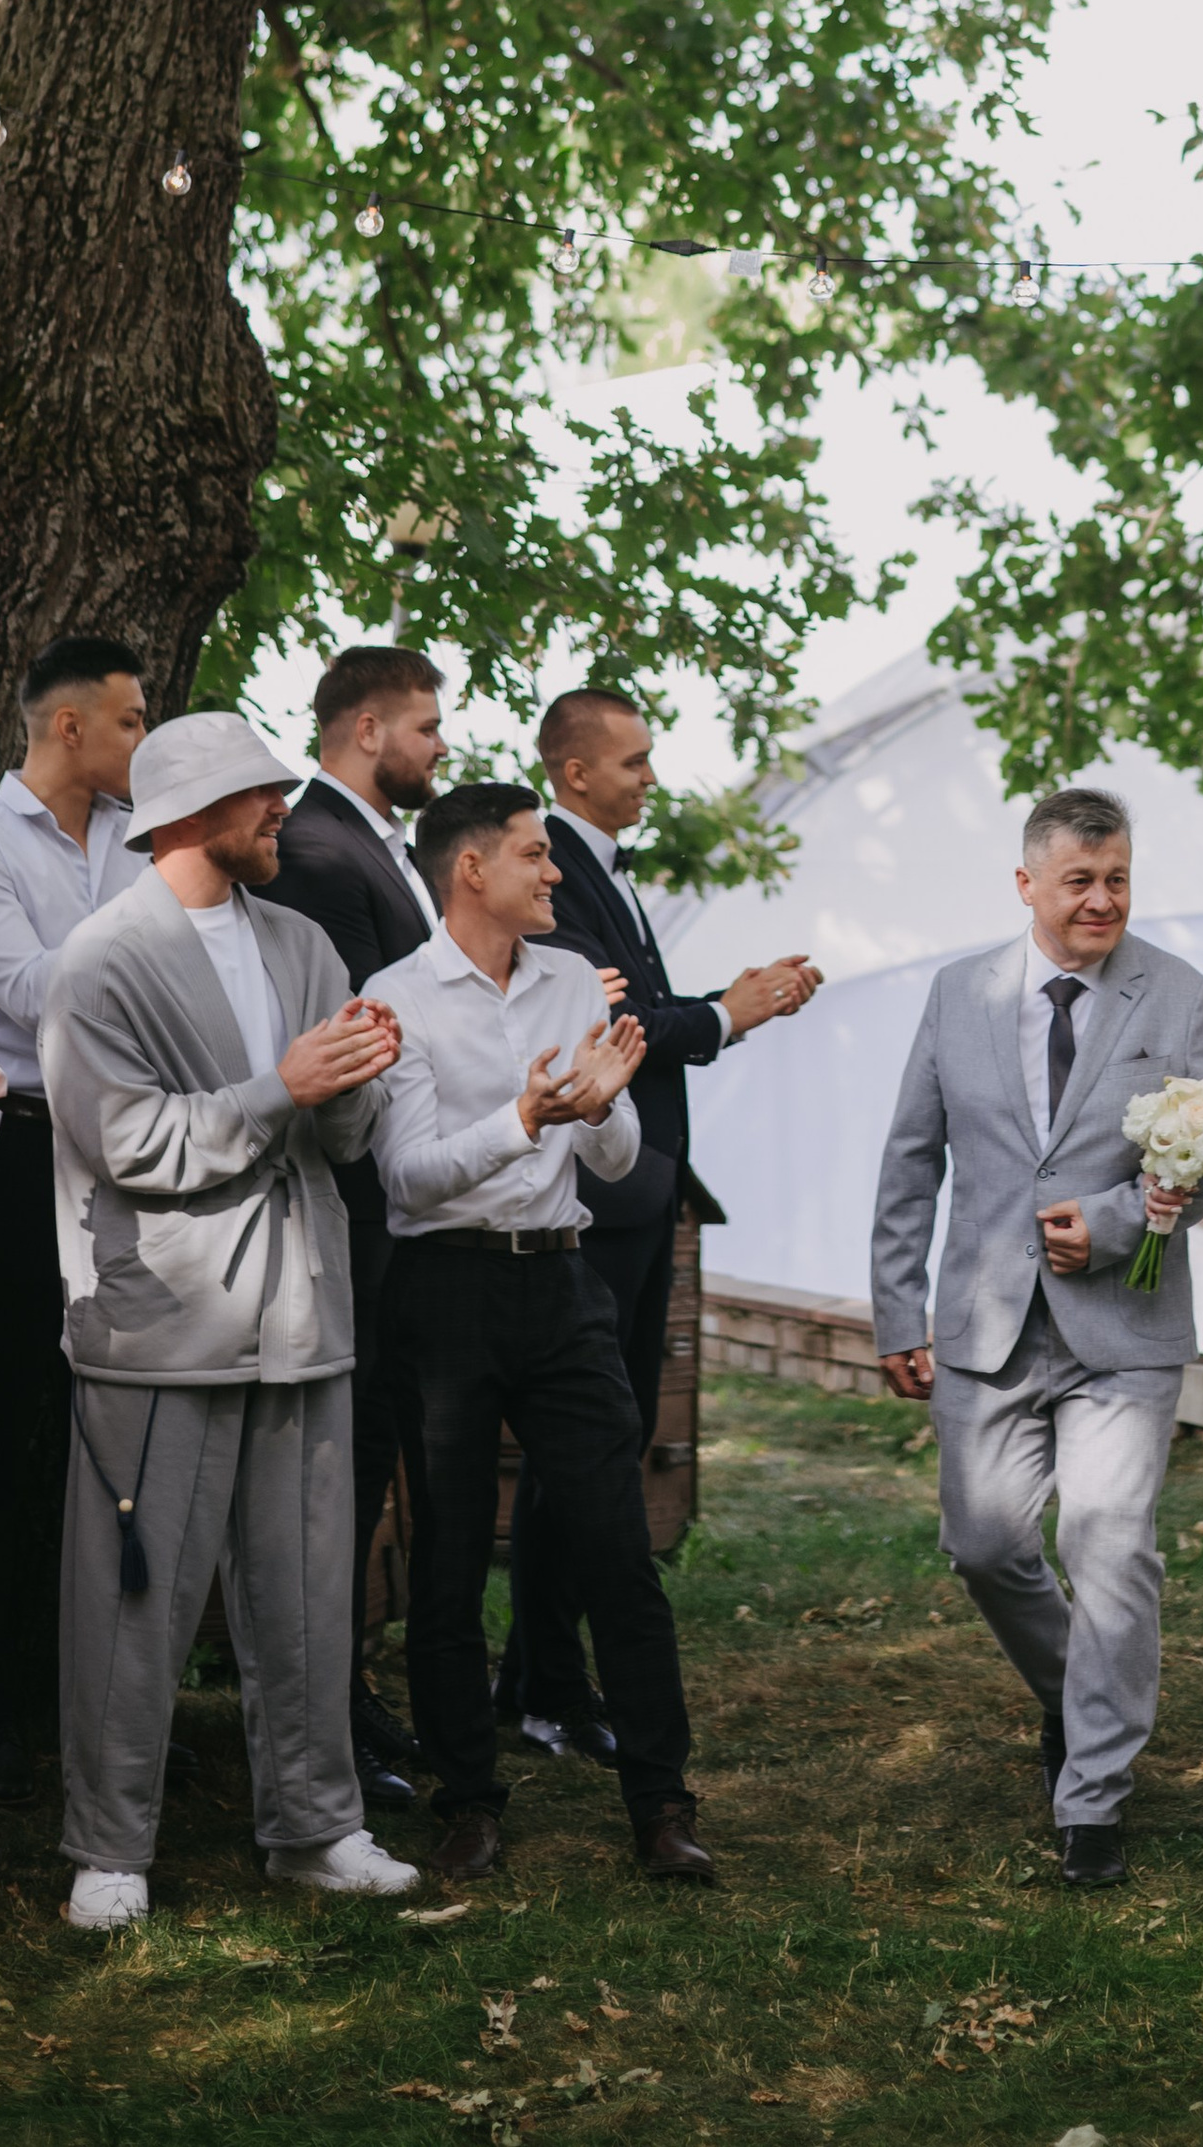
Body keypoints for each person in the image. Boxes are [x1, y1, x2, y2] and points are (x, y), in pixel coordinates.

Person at [38, 708, 413, 1929]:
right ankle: (109, 1847)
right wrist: (282, 1086)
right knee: (134, 1600)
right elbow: (129, 1141)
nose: (282, 815)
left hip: (304, 1309)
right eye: (262, 795)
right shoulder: (100, 960)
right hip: (162, 1326)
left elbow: (342, 1137)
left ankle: (316, 1827)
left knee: (310, 1591)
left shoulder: (304, 939)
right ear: (195, 813)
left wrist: (359, 1078)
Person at [870, 783, 1203, 1890]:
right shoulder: (959, 993)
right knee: (984, 1545)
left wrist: (1123, 1216)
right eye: (1079, 879)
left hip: (1123, 1324)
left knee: (1111, 1541)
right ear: (1027, 882)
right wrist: (899, 1308)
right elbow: (910, 1161)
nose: (1102, 898)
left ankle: (1092, 1801)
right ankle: (1077, 1694)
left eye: (1117, 876)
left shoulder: (1176, 996)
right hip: (984, 1323)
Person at [364, 781, 705, 1889]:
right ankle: (466, 1801)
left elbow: (615, 1158)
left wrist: (601, 1106)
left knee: (617, 1548)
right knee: (452, 1560)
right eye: (532, 854)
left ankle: (661, 1803)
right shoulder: (396, 997)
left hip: (561, 1288)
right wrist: (525, 1118)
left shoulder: (570, 981)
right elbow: (408, 1177)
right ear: (471, 869)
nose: (553, 872)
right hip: (445, 1295)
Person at [506, 685, 818, 1756]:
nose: (651, 776)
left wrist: (709, 1000)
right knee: (583, 1447)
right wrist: (734, 1010)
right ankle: (547, 1681)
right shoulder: (550, 865)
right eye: (633, 761)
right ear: (575, 771)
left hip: (636, 1191)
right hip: (593, 1199)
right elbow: (621, 1022)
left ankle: (546, 1674)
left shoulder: (602, 868)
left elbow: (629, 1001)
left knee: (613, 1437)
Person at [0, 633, 147, 1803]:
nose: (142, 743)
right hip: (4, 1159)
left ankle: (63, 1693)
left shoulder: (133, 841)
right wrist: (151, 965)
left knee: (87, 1435)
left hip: (117, 1159)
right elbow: (35, 993)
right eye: (130, 721)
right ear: (70, 728)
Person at [258, 644, 450, 1815]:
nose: (440, 746)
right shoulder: (324, 854)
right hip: (364, 1196)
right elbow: (367, 1025)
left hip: (402, 1193)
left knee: (371, 1457)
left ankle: (352, 1688)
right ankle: (324, 1706)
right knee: (349, 1459)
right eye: (427, 726)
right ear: (367, 728)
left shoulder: (373, 847)